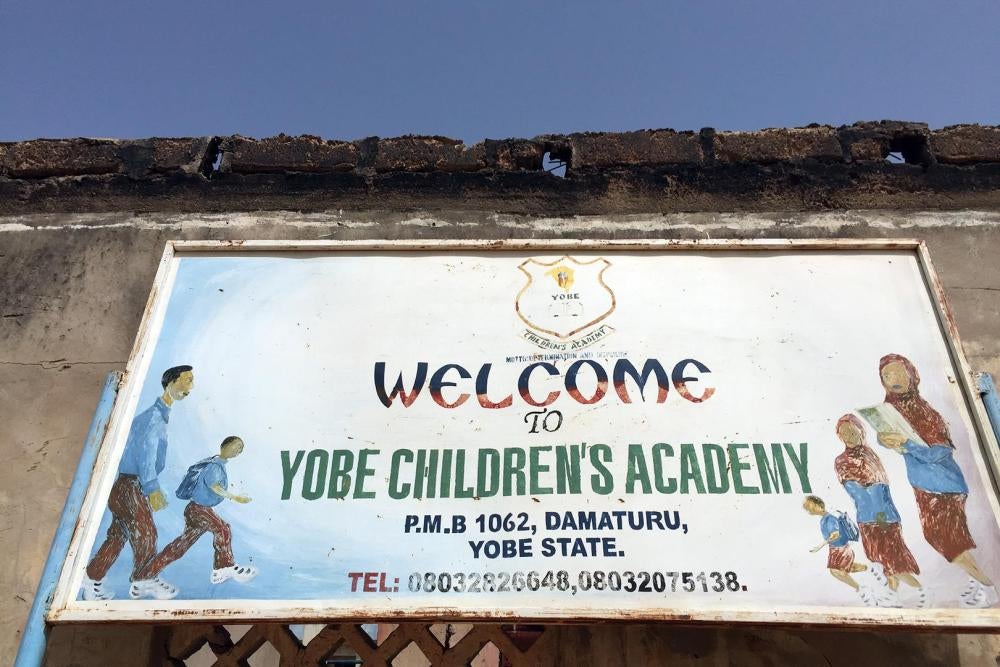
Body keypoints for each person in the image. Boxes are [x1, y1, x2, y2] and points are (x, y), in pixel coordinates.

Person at [875, 353, 998, 608]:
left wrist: (908, 445)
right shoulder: (893, 408)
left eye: (898, 372)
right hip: (923, 485)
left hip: (944, 485)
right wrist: (884, 440)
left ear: (912, 375)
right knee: (946, 539)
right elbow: (890, 435)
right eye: (887, 375)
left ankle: (989, 586)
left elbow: (941, 450)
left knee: (947, 540)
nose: (893, 379)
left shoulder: (923, 410)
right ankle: (976, 580)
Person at [82, 365, 194, 601]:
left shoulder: (159, 415)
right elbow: (146, 453)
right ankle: (142, 581)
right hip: (132, 485)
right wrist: (152, 487)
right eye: (186, 381)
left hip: (125, 486)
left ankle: (92, 579)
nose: (190, 387)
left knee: (118, 535)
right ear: (171, 382)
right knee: (146, 532)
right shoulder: (154, 418)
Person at [137, 436, 257, 586]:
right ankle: (223, 568)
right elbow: (214, 486)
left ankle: (145, 575)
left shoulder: (216, 464)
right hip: (199, 509)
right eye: (235, 446)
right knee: (222, 528)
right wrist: (235, 497)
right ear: (224, 445)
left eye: (240, 449)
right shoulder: (215, 466)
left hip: (195, 510)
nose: (237, 451)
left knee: (180, 547)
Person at [834, 414, 924, 607]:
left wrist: (879, 509)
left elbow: (879, 490)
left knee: (893, 560)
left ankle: (920, 591)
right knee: (882, 560)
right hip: (867, 518)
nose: (849, 436)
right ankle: (894, 596)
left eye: (852, 431)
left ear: (860, 429)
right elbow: (859, 492)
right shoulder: (841, 461)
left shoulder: (870, 455)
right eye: (844, 433)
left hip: (883, 516)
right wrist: (870, 487)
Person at [803, 495, 877, 605]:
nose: (809, 510)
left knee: (836, 571)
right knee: (848, 568)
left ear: (818, 505)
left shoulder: (830, 519)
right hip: (835, 550)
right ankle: (871, 568)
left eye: (810, 507)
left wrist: (820, 546)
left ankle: (861, 589)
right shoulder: (824, 519)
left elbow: (835, 534)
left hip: (841, 550)